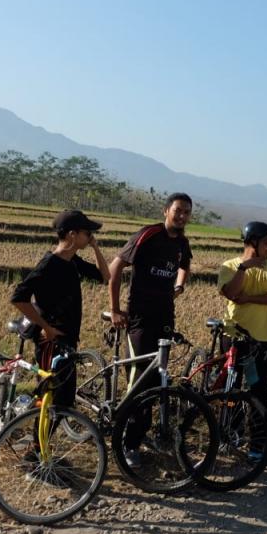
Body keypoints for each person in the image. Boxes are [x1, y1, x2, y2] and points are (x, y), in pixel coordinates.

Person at [108, 193, 194, 465]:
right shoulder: (148, 235)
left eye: (187, 212)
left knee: (158, 381)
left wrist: (179, 286)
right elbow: (115, 268)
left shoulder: (182, 242)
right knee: (139, 380)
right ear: (166, 210)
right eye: (178, 210)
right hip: (140, 319)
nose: (182, 216)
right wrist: (115, 309)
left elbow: (185, 266)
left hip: (165, 318)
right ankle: (127, 444)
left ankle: (142, 433)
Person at [11, 209, 110, 407]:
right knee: (51, 398)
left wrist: (95, 247)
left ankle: (46, 426)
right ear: (72, 234)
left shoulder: (72, 261)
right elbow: (18, 298)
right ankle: (36, 428)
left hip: (68, 339)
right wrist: (46, 327)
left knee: (63, 399)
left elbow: (104, 277)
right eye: (87, 233)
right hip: (52, 341)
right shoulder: (49, 264)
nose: (90, 236)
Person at [218, 221, 267, 413]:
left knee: (259, 389)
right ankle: (230, 425)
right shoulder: (230, 266)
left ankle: (258, 430)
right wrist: (244, 267)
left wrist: (249, 298)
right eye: (266, 243)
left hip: (261, 340)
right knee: (230, 387)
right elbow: (231, 293)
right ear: (252, 243)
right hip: (233, 336)